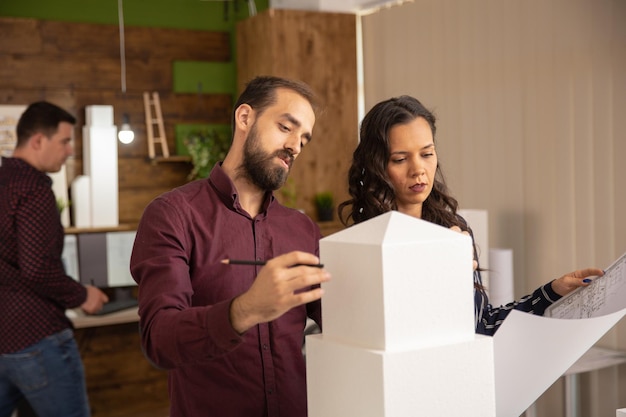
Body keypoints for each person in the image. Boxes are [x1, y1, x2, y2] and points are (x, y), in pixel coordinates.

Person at [130, 76, 331, 417]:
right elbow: (159, 339)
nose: (295, 145)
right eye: (286, 127)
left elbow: (347, 314)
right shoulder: (172, 215)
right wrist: (247, 309)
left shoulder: (303, 229)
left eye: (304, 139)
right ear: (244, 118)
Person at [338, 95, 604, 336]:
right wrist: (434, 270)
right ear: (376, 165)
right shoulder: (363, 244)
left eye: (427, 154)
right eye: (400, 159)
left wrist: (551, 292)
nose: (418, 169)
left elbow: (482, 325)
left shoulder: (453, 229)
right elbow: (383, 335)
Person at [0, 101, 109, 417]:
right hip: (37, 338)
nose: (70, 151)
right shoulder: (34, 189)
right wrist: (82, 295)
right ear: (37, 141)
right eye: (64, 141)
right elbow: (38, 268)